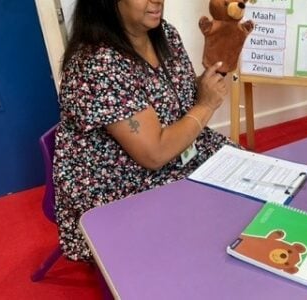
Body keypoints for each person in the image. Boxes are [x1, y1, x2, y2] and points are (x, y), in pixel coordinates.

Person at [53, 0, 236, 261]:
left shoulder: (165, 34)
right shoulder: (98, 64)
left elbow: (175, 98)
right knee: (217, 226)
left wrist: (205, 84)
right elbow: (154, 154)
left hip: (177, 157)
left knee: (250, 184)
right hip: (121, 186)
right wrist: (206, 105)